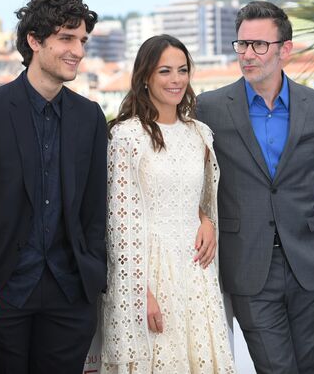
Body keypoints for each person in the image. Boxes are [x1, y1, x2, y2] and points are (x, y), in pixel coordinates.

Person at [196, 1, 314, 373]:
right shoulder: (209, 108)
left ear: (285, 49)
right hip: (249, 267)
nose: (248, 54)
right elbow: (195, 181)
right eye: (242, 45)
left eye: (259, 45)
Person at [0, 0, 107, 374]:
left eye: (82, 41)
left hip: (70, 294)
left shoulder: (90, 116)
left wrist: (91, 274)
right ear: (34, 41)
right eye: (66, 38)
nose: (78, 50)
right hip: (3, 291)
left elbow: (94, 207)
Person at [101, 34, 235, 374]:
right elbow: (119, 223)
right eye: (164, 71)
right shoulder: (126, 136)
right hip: (150, 270)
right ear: (145, 76)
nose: (175, 80)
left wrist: (207, 222)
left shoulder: (200, 134)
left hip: (195, 272)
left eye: (182, 70)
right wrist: (137, 294)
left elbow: (203, 199)